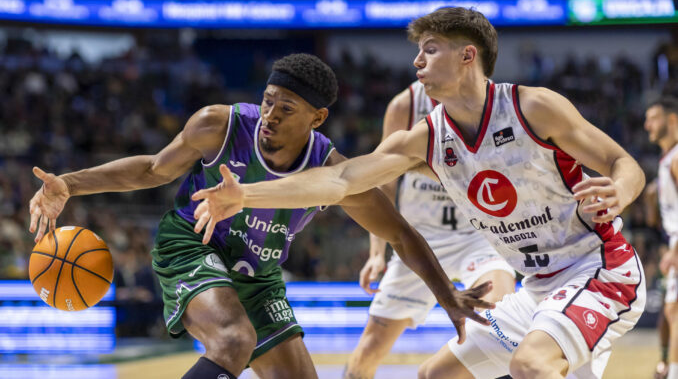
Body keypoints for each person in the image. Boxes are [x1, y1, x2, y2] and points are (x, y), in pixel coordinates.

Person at [191, 8, 647, 379]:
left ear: (468, 56)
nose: (416, 62)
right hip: (538, 286)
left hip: (600, 267)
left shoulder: (533, 105)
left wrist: (620, 190)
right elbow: (343, 181)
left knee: (530, 365)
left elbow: (625, 164)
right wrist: (246, 195)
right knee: (434, 376)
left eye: (430, 50)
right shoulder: (426, 136)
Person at [27, 53, 495, 379]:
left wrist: (448, 298)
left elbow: (400, 232)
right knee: (233, 341)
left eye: (286, 108)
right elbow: (151, 170)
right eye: (268, 99)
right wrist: (71, 183)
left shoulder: (332, 172)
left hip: (258, 273)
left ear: (317, 118)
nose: (270, 114)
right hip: (191, 244)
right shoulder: (219, 124)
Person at [345, 80, 515, 379]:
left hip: (477, 236)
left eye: (432, 49)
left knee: (498, 317)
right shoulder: (405, 104)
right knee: (369, 350)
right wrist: (376, 253)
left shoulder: (497, 102)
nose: (421, 60)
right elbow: (383, 181)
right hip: (418, 239)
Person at [645, 97, 678, 379]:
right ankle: (667, 365)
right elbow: (656, 222)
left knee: (674, 310)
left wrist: (675, 250)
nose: (647, 125)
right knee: (670, 310)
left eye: (653, 118)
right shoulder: (666, 161)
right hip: (671, 242)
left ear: (671, 120)